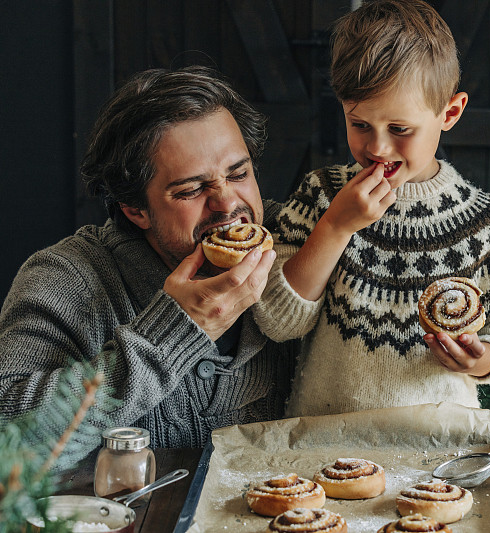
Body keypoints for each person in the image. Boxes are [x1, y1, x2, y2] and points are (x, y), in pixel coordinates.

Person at [252, 0, 490, 417]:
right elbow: (279, 322)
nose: (377, 147)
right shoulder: (320, 197)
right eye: (359, 124)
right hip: (326, 442)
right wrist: (335, 227)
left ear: (451, 113)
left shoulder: (484, 224)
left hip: (439, 452)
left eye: (400, 129)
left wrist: (483, 359)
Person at [0, 66, 294, 448]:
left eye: (238, 173)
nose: (227, 203)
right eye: (191, 190)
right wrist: (178, 331)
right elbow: (8, 435)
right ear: (134, 208)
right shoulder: (65, 278)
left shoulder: (298, 237)